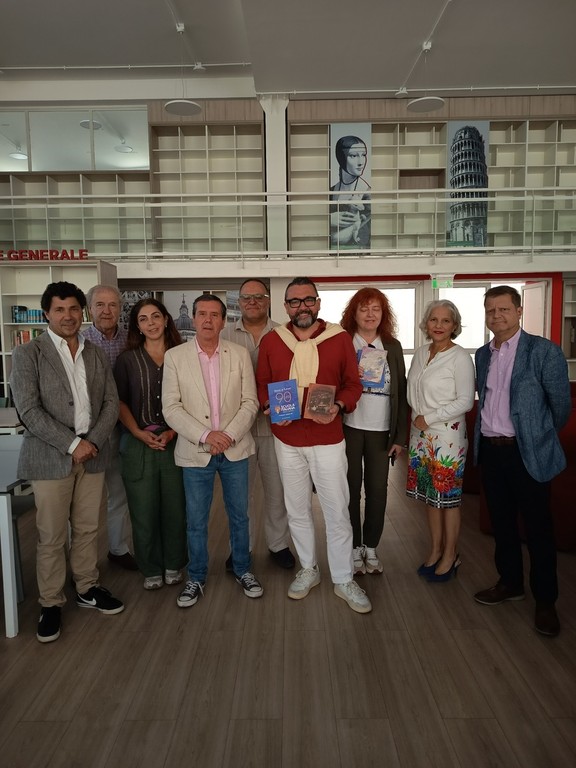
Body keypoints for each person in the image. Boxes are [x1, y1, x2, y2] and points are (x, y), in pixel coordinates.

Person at [10, 281, 124, 644]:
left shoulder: (95, 353)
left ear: (82, 312)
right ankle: (50, 603)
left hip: (93, 454)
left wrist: (92, 442)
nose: (68, 316)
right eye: (59, 309)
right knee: (52, 535)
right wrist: (73, 444)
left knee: (88, 528)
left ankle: (87, 587)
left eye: (74, 308)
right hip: (51, 457)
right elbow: (29, 410)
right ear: (47, 313)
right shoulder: (28, 353)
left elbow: (110, 402)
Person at [256, 277, 371, 614]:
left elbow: (352, 384)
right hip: (287, 438)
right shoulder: (273, 341)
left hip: (328, 439)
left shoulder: (338, 338)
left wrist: (338, 405)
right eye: (295, 302)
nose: (302, 307)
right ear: (286, 307)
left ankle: (343, 578)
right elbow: (263, 382)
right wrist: (270, 406)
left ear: (318, 303)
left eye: (308, 300)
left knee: (337, 510)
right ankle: (309, 568)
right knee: (296, 509)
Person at [473, 285, 571, 637]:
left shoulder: (544, 351)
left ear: (518, 311)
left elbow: (560, 407)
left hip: (527, 451)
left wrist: (536, 435)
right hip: (491, 450)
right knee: (502, 523)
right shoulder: (482, 354)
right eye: (490, 310)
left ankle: (545, 601)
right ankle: (510, 582)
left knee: (538, 528)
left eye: (503, 309)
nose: (496, 315)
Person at [162, 294, 263, 608]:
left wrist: (228, 435)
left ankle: (243, 569)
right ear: (193, 318)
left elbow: (250, 402)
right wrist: (207, 435)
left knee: (240, 516)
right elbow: (171, 408)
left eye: (214, 315)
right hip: (196, 450)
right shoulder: (175, 357)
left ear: (223, 321)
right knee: (196, 520)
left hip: (234, 448)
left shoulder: (239, 354)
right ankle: (196, 576)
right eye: (202, 314)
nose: (208, 320)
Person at [113, 298, 187, 591]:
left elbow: (193, 401)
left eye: (156, 316)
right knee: (143, 511)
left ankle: (173, 564)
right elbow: (119, 401)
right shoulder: (127, 360)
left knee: (175, 509)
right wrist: (137, 432)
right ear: (137, 326)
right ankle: (151, 567)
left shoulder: (183, 356)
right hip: (137, 444)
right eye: (143, 319)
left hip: (176, 443)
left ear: (167, 319)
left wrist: (173, 431)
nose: (151, 323)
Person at [221, 278, 295, 569]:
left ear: (268, 301)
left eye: (259, 296)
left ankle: (278, 545)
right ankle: (242, 548)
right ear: (239, 302)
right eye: (246, 297)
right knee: (240, 496)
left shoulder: (285, 334)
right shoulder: (224, 336)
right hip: (236, 430)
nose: (252, 302)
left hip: (275, 428)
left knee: (277, 492)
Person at [340, 287, 408, 575]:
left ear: (383, 314)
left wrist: (400, 437)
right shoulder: (343, 342)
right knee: (350, 489)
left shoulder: (392, 346)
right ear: (353, 313)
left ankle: (371, 546)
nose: (370, 314)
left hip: (382, 431)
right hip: (349, 428)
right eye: (364, 308)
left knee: (378, 490)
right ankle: (354, 546)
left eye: (376, 309)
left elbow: (401, 392)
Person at [406, 300, 475, 582]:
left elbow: (466, 401)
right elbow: (412, 390)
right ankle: (435, 550)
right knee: (430, 497)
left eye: (446, 321)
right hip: (420, 434)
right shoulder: (421, 353)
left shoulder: (460, 358)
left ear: (454, 325)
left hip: (447, 437)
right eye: (434, 319)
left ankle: (451, 554)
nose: (438, 325)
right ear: (426, 323)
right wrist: (419, 419)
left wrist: (430, 417)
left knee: (448, 499)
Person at [84, 284, 137, 571]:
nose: (107, 311)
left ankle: (118, 549)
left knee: (119, 494)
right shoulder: (79, 341)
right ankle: (82, 563)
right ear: (89, 309)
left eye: (113, 305)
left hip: (122, 428)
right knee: (84, 502)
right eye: (100, 305)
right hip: (88, 434)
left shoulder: (131, 340)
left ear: (120, 308)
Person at [330, 135, 371, 248]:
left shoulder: (368, 195)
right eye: (353, 155)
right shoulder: (331, 191)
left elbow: (364, 238)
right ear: (341, 157)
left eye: (363, 155)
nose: (361, 162)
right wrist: (328, 219)